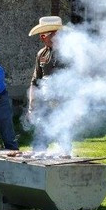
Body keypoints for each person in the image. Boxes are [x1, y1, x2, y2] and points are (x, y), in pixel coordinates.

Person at [27, 16, 65, 152]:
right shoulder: (41, 54)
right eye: (49, 35)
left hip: (63, 103)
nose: (55, 37)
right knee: (40, 137)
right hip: (44, 102)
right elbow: (35, 81)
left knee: (63, 138)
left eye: (56, 34)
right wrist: (32, 106)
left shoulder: (69, 52)